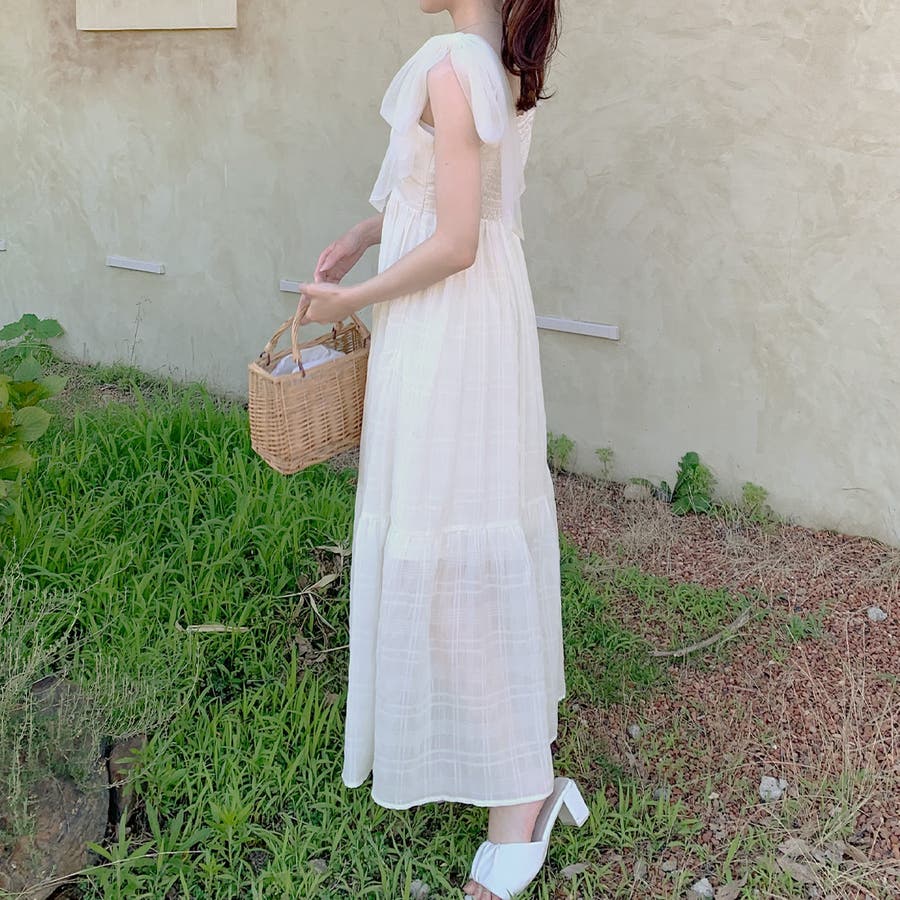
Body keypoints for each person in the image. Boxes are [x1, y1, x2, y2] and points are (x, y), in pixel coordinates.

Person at [294, 2, 589, 897]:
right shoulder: (495, 57)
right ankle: (516, 766)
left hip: (445, 324)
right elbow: (459, 201)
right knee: (470, 520)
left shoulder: (450, 65)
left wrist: (353, 301)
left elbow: (455, 242)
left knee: (445, 532)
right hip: (484, 318)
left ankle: (522, 795)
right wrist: (364, 234)